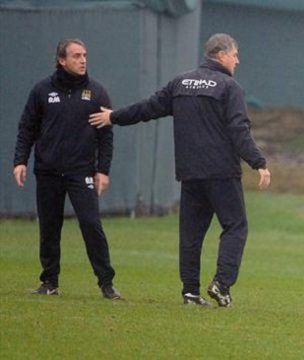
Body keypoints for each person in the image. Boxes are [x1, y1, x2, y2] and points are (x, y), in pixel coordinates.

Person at [88, 33, 271, 307]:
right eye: (235, 55)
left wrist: (113, 116)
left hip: (190, 173)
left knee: (191, 234)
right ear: (221, 55)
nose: (238, 60)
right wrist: (258, 162)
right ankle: (221, 284)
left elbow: (147, 109)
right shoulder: (229, 87)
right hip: (221, 172)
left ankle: (190, 292)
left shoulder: (180, 82)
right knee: (235, 226)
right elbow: (238, 129)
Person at [13, 39, 121, 300]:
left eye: (84, 55)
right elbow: (27, 128)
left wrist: (102, 170)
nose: (82, 60)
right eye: (76, 56)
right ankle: (49, 281)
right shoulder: (42, 91)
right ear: (62, 60)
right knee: (49, 227)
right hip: (48, 171)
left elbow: (106, 136)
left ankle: (106, 283)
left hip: (81, 172)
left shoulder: (96, 93)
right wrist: (20, 161)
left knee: (91, 224)